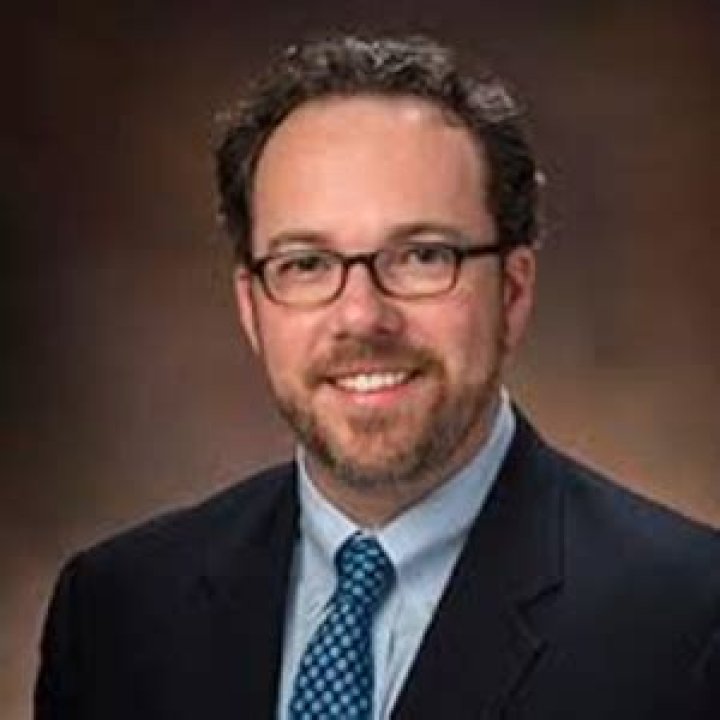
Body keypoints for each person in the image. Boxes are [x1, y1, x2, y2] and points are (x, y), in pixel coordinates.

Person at [35, 34, 719, 720]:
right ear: (251, 307)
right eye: (305, 264)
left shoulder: (689, 623)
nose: (361, 317)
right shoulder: (114, 614)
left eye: (422, 256)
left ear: (512, 293)